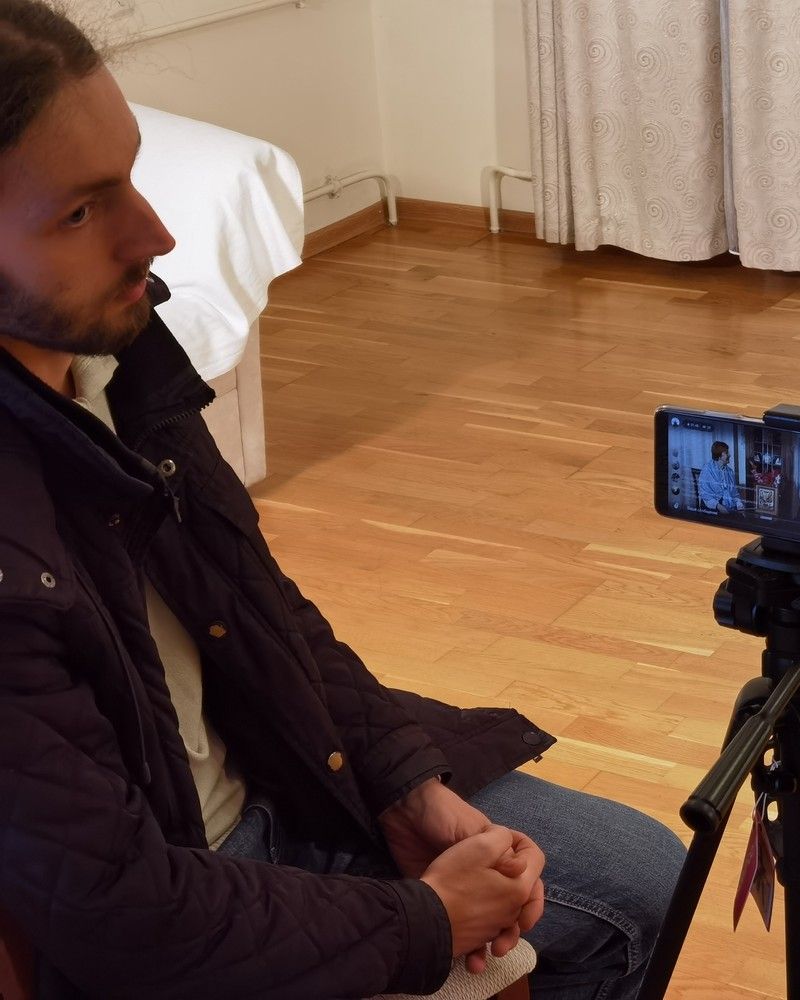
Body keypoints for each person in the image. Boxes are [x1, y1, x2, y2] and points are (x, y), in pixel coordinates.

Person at [0, 3, 684, 998]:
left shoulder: (115, 347)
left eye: (133, 175)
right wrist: (427, 919)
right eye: (78, 212)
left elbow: (258, 604)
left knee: (646, 878)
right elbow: (124, 911)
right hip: (191, 893)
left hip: (280, 768)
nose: (156, 235)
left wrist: (402, 781)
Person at [697, 440, 745, 514]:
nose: (729, 455)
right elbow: (705, 494)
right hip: (712, 509)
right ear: (719, 456)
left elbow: (734, 493)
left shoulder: (730, 471)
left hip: (728, 507)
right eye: (726, 453)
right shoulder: (707, 469)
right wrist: (718, 506)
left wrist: (739, 503)